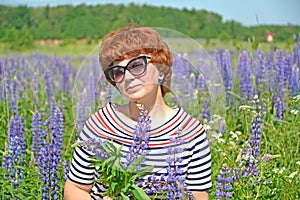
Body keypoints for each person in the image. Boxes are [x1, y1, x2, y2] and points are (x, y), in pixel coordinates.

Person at [64, 25, 212, 200]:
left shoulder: (192, 131)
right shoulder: (99, 124)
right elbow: (75, 188)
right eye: (117, 72)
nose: (128, 77)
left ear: (161, 68)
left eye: (136, 65)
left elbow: (198, 195)